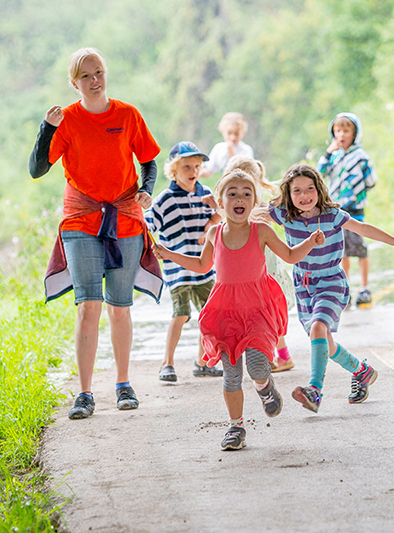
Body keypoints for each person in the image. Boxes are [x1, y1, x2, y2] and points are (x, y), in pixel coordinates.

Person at [28, 47, 162, 420]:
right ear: (75, 83)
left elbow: (148, 160)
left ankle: (123, 384)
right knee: (89, 306)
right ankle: (84, 393)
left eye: (99, 72)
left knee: (120, 307)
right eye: (86, 75)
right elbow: (38, 169)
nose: (95, 80)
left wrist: (147, 189)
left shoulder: (127, 114)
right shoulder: (66, 120)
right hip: (81, 219)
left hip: (124, 215)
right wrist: (47, 128)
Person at [153, 169, 325, 450]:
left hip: (257, 307)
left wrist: (310, 242)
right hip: (225, 311)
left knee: (258, 366)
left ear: (254, 201)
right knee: (231, 375)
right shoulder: (214, 233)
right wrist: (169, 254)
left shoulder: (262, 231)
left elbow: (291, 255)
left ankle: (264, 387)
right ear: (220, 202)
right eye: (232, 194)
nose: (239, 198)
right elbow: (201, 266)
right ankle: (236, 427)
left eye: (246, 193)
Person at [268, 164, 394, 413]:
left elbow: (364, 228)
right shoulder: (283, 214)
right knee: (324, 341)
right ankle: (362, 371)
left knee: (318, 328)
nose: (304, 195)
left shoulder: (332, 215)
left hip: (331, 282)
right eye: (297, 191)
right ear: (288, 193)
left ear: (319, 189)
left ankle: (314, 391)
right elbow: (252, 214)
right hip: (304, 286)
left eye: (310, 189)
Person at [145, 141, 224, 382]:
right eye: (187, 166)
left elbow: (221, 217)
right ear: (174, 170)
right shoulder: (166, 198)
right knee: (180, 314)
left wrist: (213, 216)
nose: (193, 171)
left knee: (209, 317)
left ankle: (203, 362)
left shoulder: (205, 194)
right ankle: (166, 363)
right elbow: (148, 224)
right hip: (178, 269)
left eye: (197, 166)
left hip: (205, 268)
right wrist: (152, 245)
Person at [223, 155, 295, 372]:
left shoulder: (260, 207)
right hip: (253, 272)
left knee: (267, 316)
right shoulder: (243, 207)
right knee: (264, 316)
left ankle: (275, 356)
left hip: (266, 271)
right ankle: (280, 356)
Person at [317, 112, 378, 309]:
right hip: (337, 210)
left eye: (346, 130)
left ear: (355, 133)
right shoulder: (333, 156)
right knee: (342, 251)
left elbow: (371, 180)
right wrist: (328, 152)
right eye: (338, 130)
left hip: (355, 210)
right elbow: (320, 173)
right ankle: (346, 288)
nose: (342, 135)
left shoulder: (360, 157)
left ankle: (364, 287)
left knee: (359, 248)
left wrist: (357, 193)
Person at [198, 112, 254, 178]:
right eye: (229, 133)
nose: (233, 138)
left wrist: (231, 151)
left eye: (236, 134)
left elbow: (242, 173)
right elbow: (209, 170)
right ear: (222, 132)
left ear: (243, 133)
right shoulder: (219, 148)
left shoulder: (246, 150)